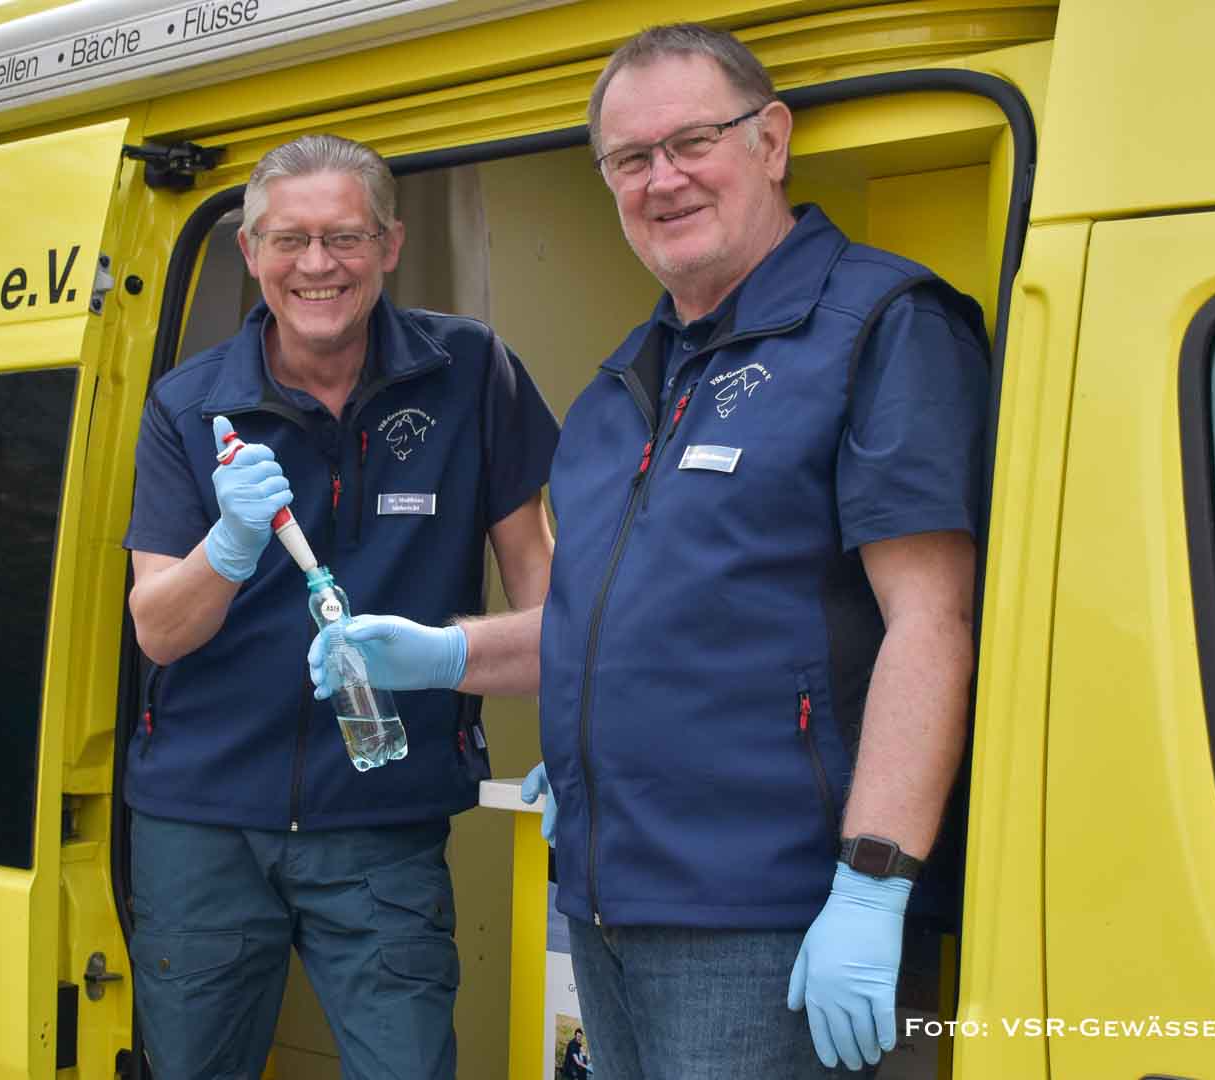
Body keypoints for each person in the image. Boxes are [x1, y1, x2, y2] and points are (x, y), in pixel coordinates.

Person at [310, 24, 988, 1078]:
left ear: (771, 139)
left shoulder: (879, 329)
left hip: (768, 918)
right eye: (630, 160)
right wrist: (443, 656)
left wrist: (873, 880)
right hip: (605, 903)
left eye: (692, 142)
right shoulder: (623, 384)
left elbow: (931, 620)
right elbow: (601, 622)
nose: (661, 178)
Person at [124, 134, 560, 1079]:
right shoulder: (190, 408)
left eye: (343, 238)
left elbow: (555, 611)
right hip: (202, 830)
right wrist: (228, 547)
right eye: (288, 240)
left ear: (391, 245)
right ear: (250, 252)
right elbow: (157, 626)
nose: (315, 265)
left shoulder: (471, 373)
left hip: (381, 825)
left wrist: (577, 746)